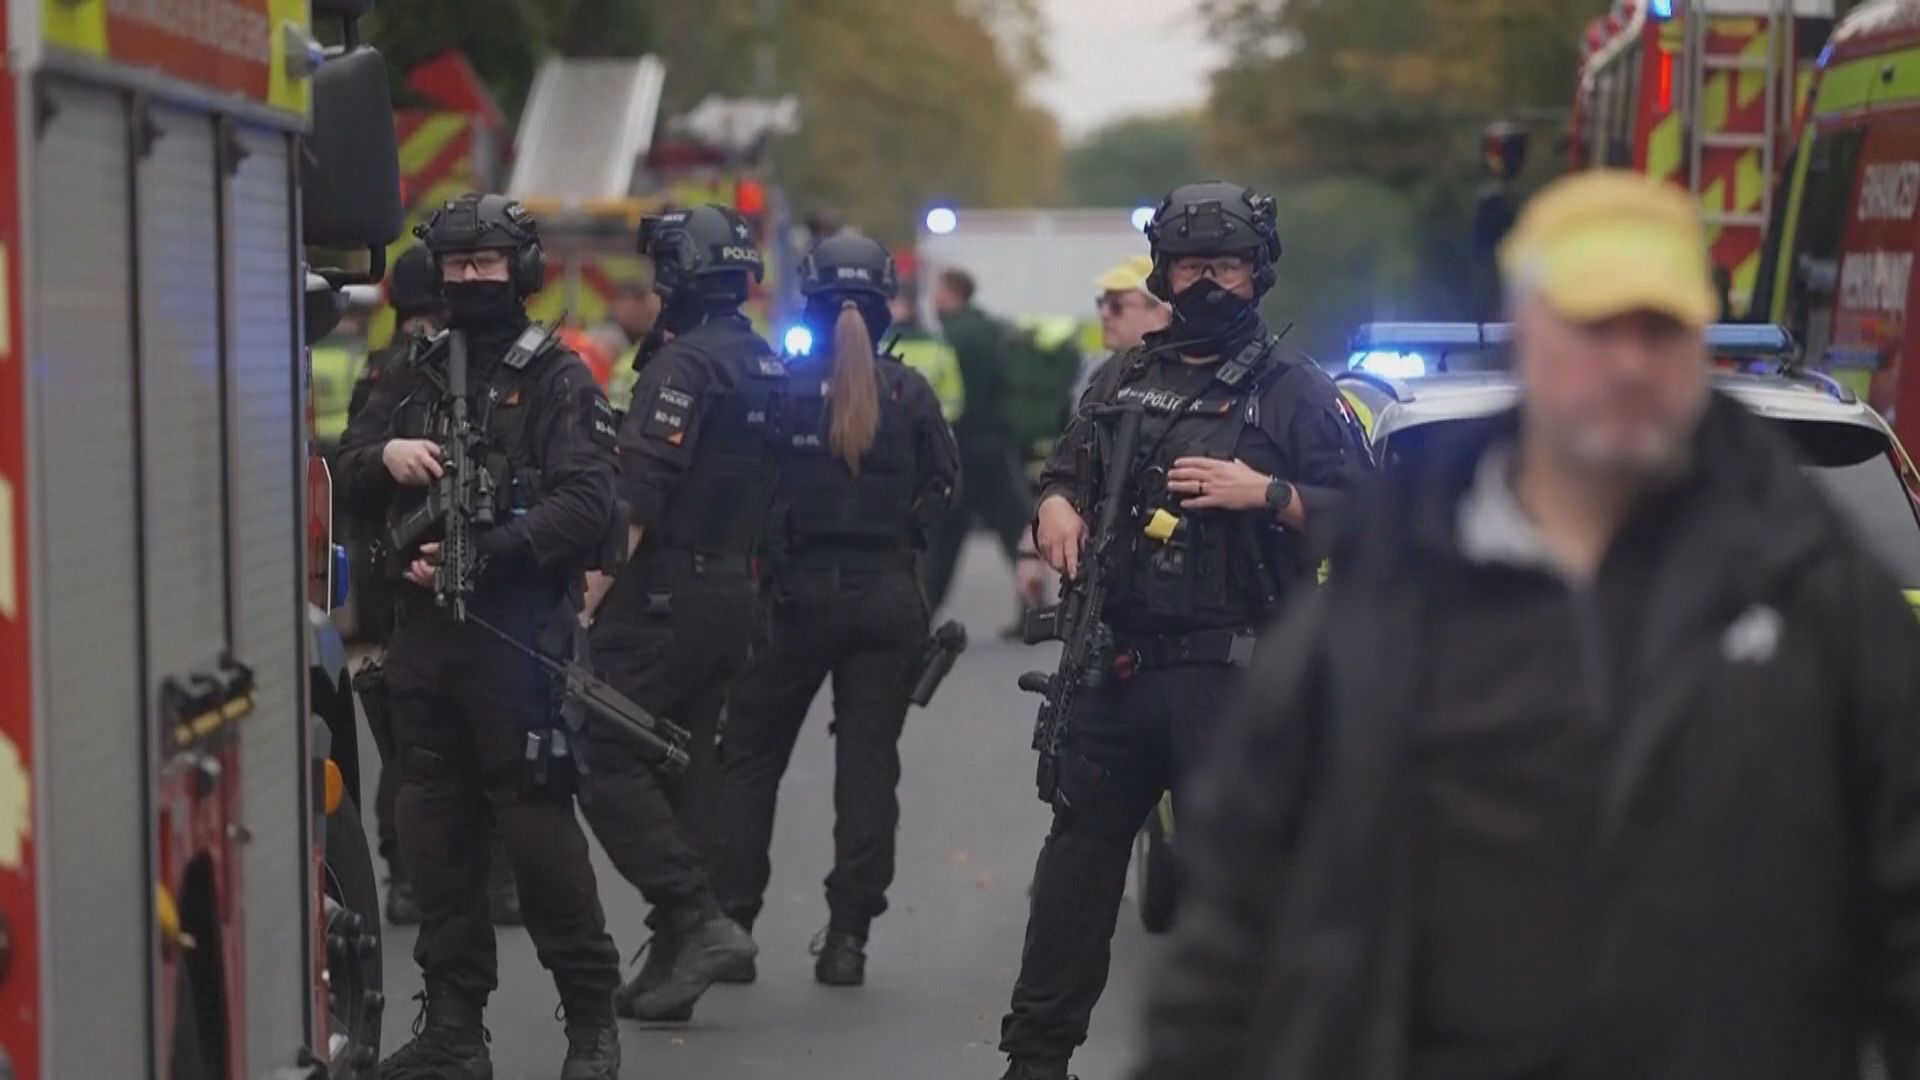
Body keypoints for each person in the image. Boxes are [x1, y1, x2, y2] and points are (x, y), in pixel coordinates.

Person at [1135, 171, 1920, 1080]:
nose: (1628, 363)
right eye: (1592, 327)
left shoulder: (1819, 596)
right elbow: (1237, 930)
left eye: (1659, 330)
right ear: (1529, 334)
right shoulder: (1394, 590)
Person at [996, 180, 1373, 1080]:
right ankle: (1036, 1060)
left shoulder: (1296, 392)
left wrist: (1271, 496)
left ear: (1258, 273)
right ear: (1165, 271)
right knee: (1075, 877)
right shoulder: (1125, 376)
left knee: (1239, 895)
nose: (1209, 282)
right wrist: (1054, 509)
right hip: (1116, 671)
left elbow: (1378, 519)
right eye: (1192, 265)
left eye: (1228, 265)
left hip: (1235, 684)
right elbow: (1066, 469)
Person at [335, 193, 624, 1080]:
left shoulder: (556, 378)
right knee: (434, 840)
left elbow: (589, 503)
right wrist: (384, 460)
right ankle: (456, 1029)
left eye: (485, 264)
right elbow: (343, 470)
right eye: (456, 266)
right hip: (424, 641)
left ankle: (590, 1026)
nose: (470, 280)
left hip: (516, 639)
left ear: (519, 271)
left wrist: (493, 552)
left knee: (538, 842)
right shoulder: (409, 373)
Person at [711, 234, 960, 987]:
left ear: (807, 304)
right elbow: (944, 489)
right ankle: (848, 938)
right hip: (886, 597)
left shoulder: (777, 387)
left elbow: (740, 491)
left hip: (790, 599)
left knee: (750, 762)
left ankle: (732, 923)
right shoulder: (910, 392)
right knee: (868, 769)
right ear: (886, 306)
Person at [578, 204, 774, 1023]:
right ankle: (675, 956)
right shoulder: (765, 362)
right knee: (686, 761)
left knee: (595, 742)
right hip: (735, 590)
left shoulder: (680, 369)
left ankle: (693, 917)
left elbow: (638, 499)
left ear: (673, 275)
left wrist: (585, 602)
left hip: (664, 590)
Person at [1019, 256, 1173, 615]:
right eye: (1102, 303)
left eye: (1118, 305)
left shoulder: (1179, 386)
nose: (1105, 313)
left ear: (1162, 312)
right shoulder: (1099, 375)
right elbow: (1070, 466)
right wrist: (1033, 539)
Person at [924, 268, 1032, 615]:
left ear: (950, 293)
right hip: (997, 443)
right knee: (1015, 530)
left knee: (944, 535)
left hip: (960, 446)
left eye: (937, 292)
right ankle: (1031, 608)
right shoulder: (992, 329)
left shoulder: (948, 336)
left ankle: (925, 608)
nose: (933, 300)